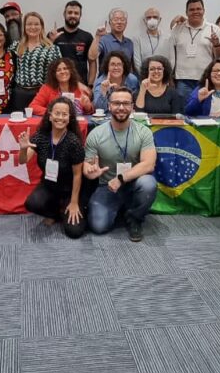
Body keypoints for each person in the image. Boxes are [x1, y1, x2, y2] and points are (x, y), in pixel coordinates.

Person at [83, 87, 157, 241]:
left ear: (132, 107)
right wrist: (89, 171)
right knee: (98, 227)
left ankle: (134, 218)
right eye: (116, 103)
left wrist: (121, 178)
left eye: (126, 103)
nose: (121, 107)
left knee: (149, 183)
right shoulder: (96, 134)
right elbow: (87, 165)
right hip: (107, 186)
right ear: (109, 106)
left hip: (133, 183)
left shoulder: (143, 132)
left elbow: (149, 164)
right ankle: (121, 208)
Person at [19, 96, 86, 237]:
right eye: (57, 113)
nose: (60, 118)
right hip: (49, 185)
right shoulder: (40, 137)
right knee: (31, 204)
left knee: (74, 232)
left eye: (64, 114)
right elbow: (22, 161)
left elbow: (78, 175)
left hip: (70, 190)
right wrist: (23, 148)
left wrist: (74, 202)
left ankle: (72, 206)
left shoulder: (74, 142)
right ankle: (55, 213)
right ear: (50, 116)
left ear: (69, 118)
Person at [168, 0, 220, 103]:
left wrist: (216, 45)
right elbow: (171, 56)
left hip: (206, 79)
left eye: (198, 9)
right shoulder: (177, 29)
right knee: (184, 111)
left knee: (204, 112)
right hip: (182, 80)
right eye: (192, 9)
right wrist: (170, 78)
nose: (195, 12)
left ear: (203, 10)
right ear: (186, 12)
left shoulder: (214, 29)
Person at [10, 12, 61, 112]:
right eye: (29, 24)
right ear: (24, 27)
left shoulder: (52, 48)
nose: (33, 27)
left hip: (42, 93)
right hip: (20, 93)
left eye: (36, 24)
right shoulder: (16, 46)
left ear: (42, 26)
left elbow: (59, 71)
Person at [29, 57, 94, 116]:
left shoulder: (79, 88)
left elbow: (89, 111)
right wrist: (53, 112)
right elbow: (33, 106)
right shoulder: (47, 88)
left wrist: (88, 107)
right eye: (58, 70)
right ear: (54, 74)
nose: (62, 72)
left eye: (65, 69)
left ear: (70, 71)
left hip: (77, 123)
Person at [87, 8, 133, 83]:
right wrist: (97, 36)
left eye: (122, 20)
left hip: (126, 84)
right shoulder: (103, 40)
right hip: (106, 83)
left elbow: (130, 67)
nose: (119, 22)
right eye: (116, 19)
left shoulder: (129, 43)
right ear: (110, 23)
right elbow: (91, 57)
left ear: (126, 23)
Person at [50, 0, 93, 81]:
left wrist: (91, 84)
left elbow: (92, 62)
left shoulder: (87, 36)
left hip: (81, 84)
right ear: (64, 14)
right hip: (58, 84)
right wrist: (51, 41)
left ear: (80, 15)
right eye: (70, 12)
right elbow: (46, 61)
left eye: (76, 13)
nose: (73, 15)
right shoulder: (53, 35)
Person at [131, 7, 167, 73]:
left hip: (163, 77)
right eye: (149, 17)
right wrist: (147, 77)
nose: (152, 20)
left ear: (160, 19)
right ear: (144, 20)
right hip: (144, 78)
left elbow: (169, 60)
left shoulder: (167, 38)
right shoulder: (137, 38)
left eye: (155, 17)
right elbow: (137, 62)